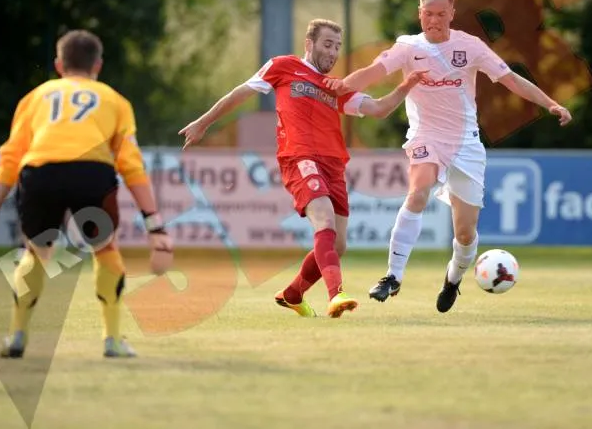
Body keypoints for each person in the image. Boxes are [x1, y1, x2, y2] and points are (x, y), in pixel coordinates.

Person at [324, 0, 572, 313]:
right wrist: (338, 86)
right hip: (426, 137)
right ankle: (392, 276)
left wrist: (550, 103)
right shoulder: (407, 47)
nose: (434, 20)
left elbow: (511, 78)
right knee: (418, 191)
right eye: (428, 14)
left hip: (467, 146)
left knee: (466, 234)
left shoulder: (471, 46)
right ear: (419, 13)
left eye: (441, 14)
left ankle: (453, 279)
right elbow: (371, 73)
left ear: (452, 13)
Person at [180, 19, 427, 318]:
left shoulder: (335, 86)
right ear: (309, 44)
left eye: (337, 46)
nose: (333, 52)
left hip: (334, 164)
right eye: (327, 44)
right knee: (323, 221)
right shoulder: (284, 66)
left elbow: (378, 108)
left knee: (339, 243)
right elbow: (240, 93)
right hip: (299, 157)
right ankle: (336, 294)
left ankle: (293, 294)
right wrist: (203, 123)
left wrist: (407, 84)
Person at [0, 29, 174, 358]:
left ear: (59, 65)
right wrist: (155, 227)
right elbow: (132, 166)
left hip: (40, 174)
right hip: (92, 174)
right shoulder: (115, 101)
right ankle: (113, 340)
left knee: (35, 252)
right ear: (98, 65)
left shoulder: (35, 98)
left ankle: (17, 335)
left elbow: (9, 161)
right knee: (105, 249)